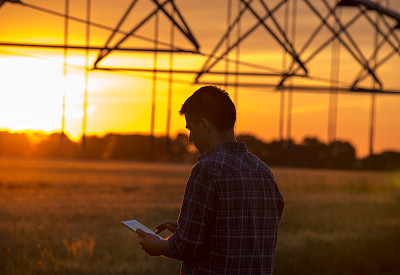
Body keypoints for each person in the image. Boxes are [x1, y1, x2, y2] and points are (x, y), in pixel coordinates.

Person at [137, 85, 284, 275]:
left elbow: (186, 247)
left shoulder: (207, 170)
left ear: (205, 125)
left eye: (191, 128)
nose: (190, 137)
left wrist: (158, 246)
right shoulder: (263, 171)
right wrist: (191, 228)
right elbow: (248, 231)